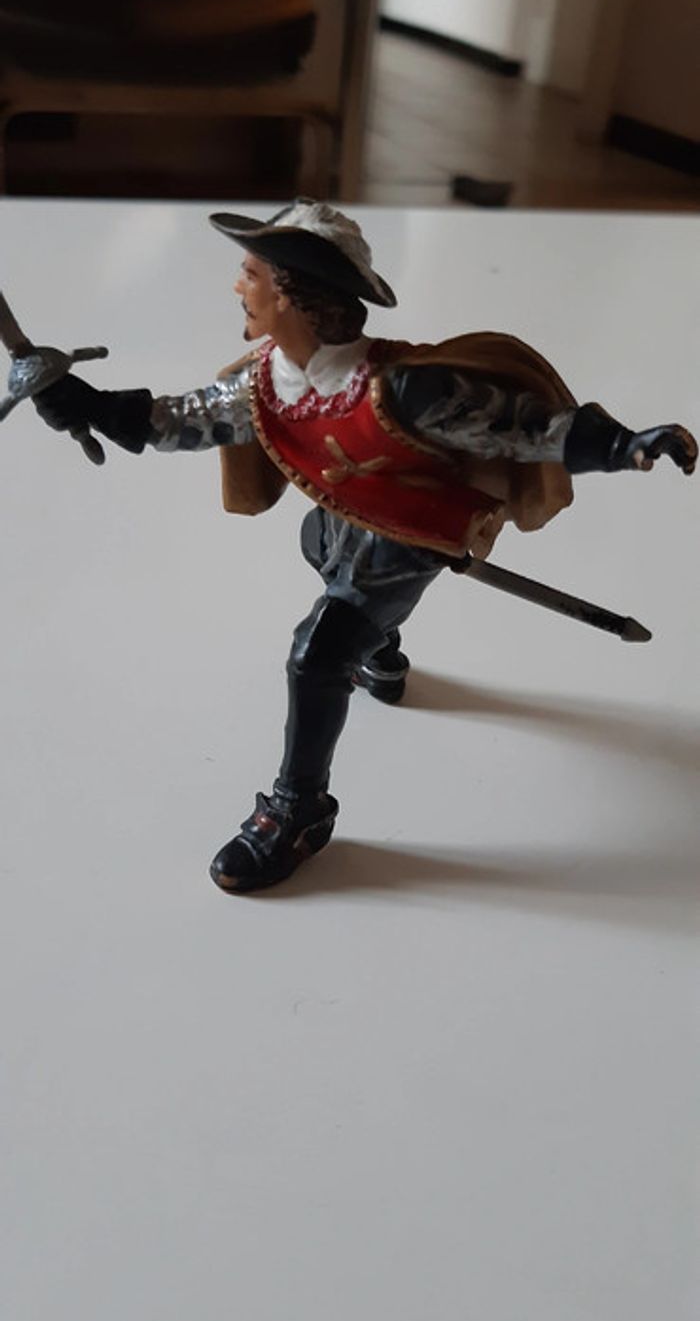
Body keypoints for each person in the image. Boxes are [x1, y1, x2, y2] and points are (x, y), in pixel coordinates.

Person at [34, 198, 697, 893]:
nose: (237, 286)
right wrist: (87, 403)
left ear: (292, 295)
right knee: (316, 548)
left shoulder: (404, 390)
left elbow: (523, 429)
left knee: (316, 655)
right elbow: (182, 419)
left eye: (250, 273)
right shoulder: (264, 383)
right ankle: (379, 651)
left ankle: (298, 812)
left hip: (409, 533)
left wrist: (625, 446)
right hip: (344, 520)